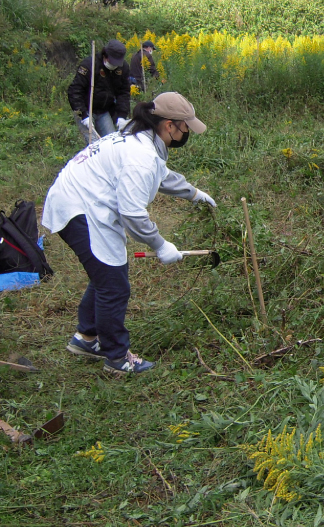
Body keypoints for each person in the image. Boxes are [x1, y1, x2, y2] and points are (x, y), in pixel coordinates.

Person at [42, 92, 217, 375]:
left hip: (81, 199)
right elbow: (133, 214)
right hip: (79, 207)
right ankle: (117, 358)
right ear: (169, 125)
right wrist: (160, 245)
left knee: (104, 274)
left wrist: (194, 193)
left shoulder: (139, 138)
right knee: (114, 285)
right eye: (186, 127)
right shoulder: (140, 156)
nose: (187, 133)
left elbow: (161, 174)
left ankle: (86, 338)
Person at [68, 39, 132, 143]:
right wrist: (83, 115)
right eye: (112, 62)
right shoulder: (89, 65)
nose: (114, 65)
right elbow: (75, 90)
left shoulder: (123, 68)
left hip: (103, 111)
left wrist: (121, 116)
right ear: (105, 55)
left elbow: (124, 93)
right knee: (93, 143)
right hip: (86, 109)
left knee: (112, 141)